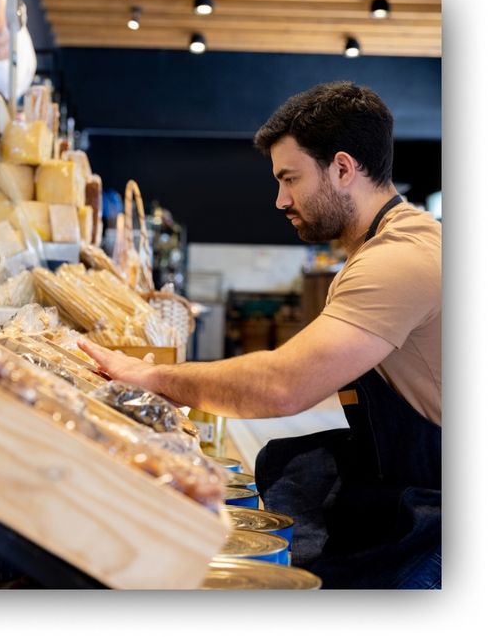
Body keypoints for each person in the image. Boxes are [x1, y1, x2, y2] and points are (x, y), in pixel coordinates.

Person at [78, 81, 441, 589]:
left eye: (290, 179)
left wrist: (156, 377)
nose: (280, 200)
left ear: (342, 168)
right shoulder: (388, 246)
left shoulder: (400, 259)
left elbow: (282, 385)